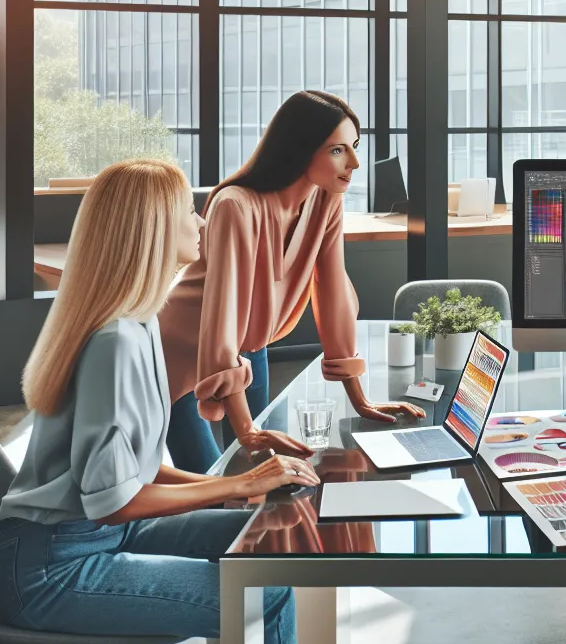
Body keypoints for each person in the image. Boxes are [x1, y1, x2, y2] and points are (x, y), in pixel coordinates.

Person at [0, 159, 403, 644]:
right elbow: (112, 499)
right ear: (151, 230)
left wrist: (236, 492)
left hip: (84, 540)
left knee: (270, 545)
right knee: (258, 596)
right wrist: (235, 484)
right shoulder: (116, 341)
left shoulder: (135, 323)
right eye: (188, 212)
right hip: (52, 569)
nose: (202, 223)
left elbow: (140, 470)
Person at [161, 90, 423, 475]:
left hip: (248, 347)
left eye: (354, 147)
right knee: (210, 484)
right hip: (180, 351)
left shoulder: (326, 200)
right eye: (337, 150)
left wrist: (360, 400)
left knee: (267, 475)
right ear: (300, 149)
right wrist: (247, 431)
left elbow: (332, 293)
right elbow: (221, 317)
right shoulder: (236, 205)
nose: (354, 163)